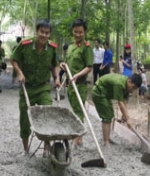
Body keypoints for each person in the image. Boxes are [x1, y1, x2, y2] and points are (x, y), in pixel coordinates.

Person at [10, 20, 60, 154]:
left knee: (48, 113)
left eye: (47, 33)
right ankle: (25, 150)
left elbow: (55, 64)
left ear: (49, 34)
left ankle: (46, 148)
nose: (44, 35)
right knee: (25, 118)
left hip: (43, 87)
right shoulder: (25, 44)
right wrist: (19, 72)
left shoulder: (52, 48)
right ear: (37, 32)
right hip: (27, 87)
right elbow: (13, 59)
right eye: (42, 32)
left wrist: (57, 78)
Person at [60, 19, 93, 147]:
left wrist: (77, 75)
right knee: (74, 109)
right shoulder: (70, 47)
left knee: (79, 110)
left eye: (80, 32)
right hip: (70, 84)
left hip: (80, 84)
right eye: (75, 32)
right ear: (72, 31)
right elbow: (67, 63)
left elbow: (89, 66)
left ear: (85, 32)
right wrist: (63, 65)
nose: (78, 34)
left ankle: (77, 137)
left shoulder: (87, 47)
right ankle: (79, 138)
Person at [92, 73, 142, 147]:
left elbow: (124, 101)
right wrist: (128, 119)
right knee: (106, 117)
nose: (132, 90)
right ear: (129, 81)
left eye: (135, 89)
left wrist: (125, 116)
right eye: (133, 87)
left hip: (106, 95)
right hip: (98, 92)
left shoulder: (126, 86)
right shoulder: (119, 84)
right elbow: (120, 103)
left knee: (111, 114)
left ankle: (108, 138)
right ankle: (106, 142)